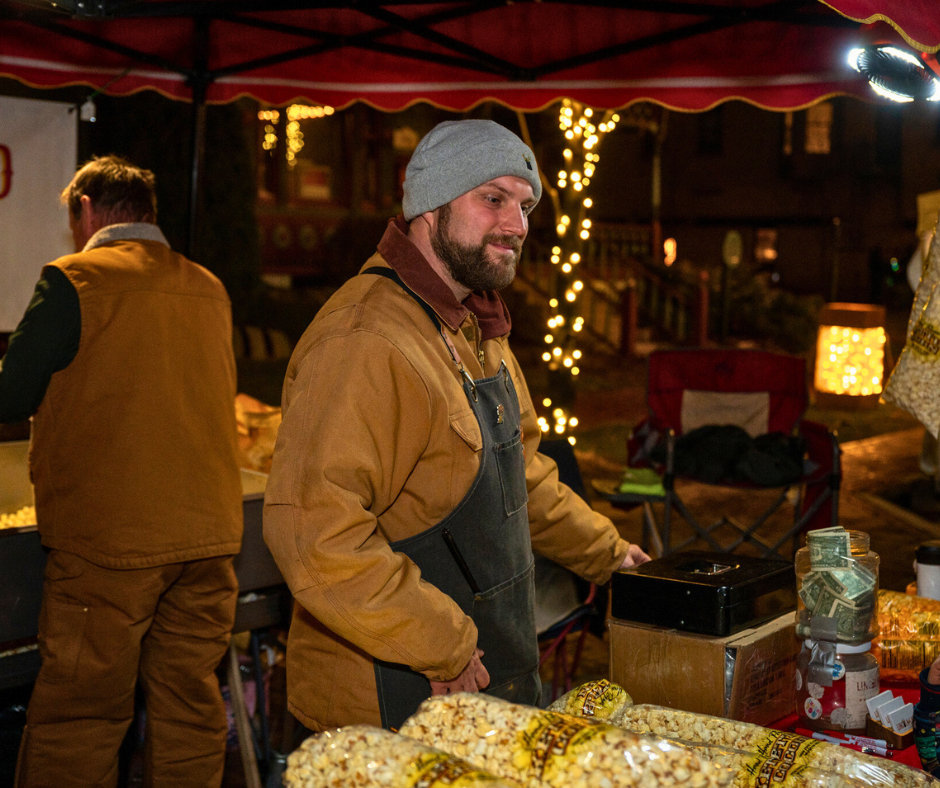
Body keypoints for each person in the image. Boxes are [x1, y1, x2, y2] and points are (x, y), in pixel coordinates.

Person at [263, 119, 650, 733]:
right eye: (492, 198)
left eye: (524, 206)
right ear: (429, 206)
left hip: (482, 684)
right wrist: (436, 641)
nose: (516, 225)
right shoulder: (367, 340)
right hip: (388, 703)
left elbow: (521, 482)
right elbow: (315, 533)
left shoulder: (473, 331)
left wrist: (611, 557)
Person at [0, 155, 243, 787]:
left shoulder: (74, 280)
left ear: (85, 211)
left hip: (110, 545)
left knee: (79, 718)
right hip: (210, 541)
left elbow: (11, 395)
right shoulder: (209, 287)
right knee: (190, 711)